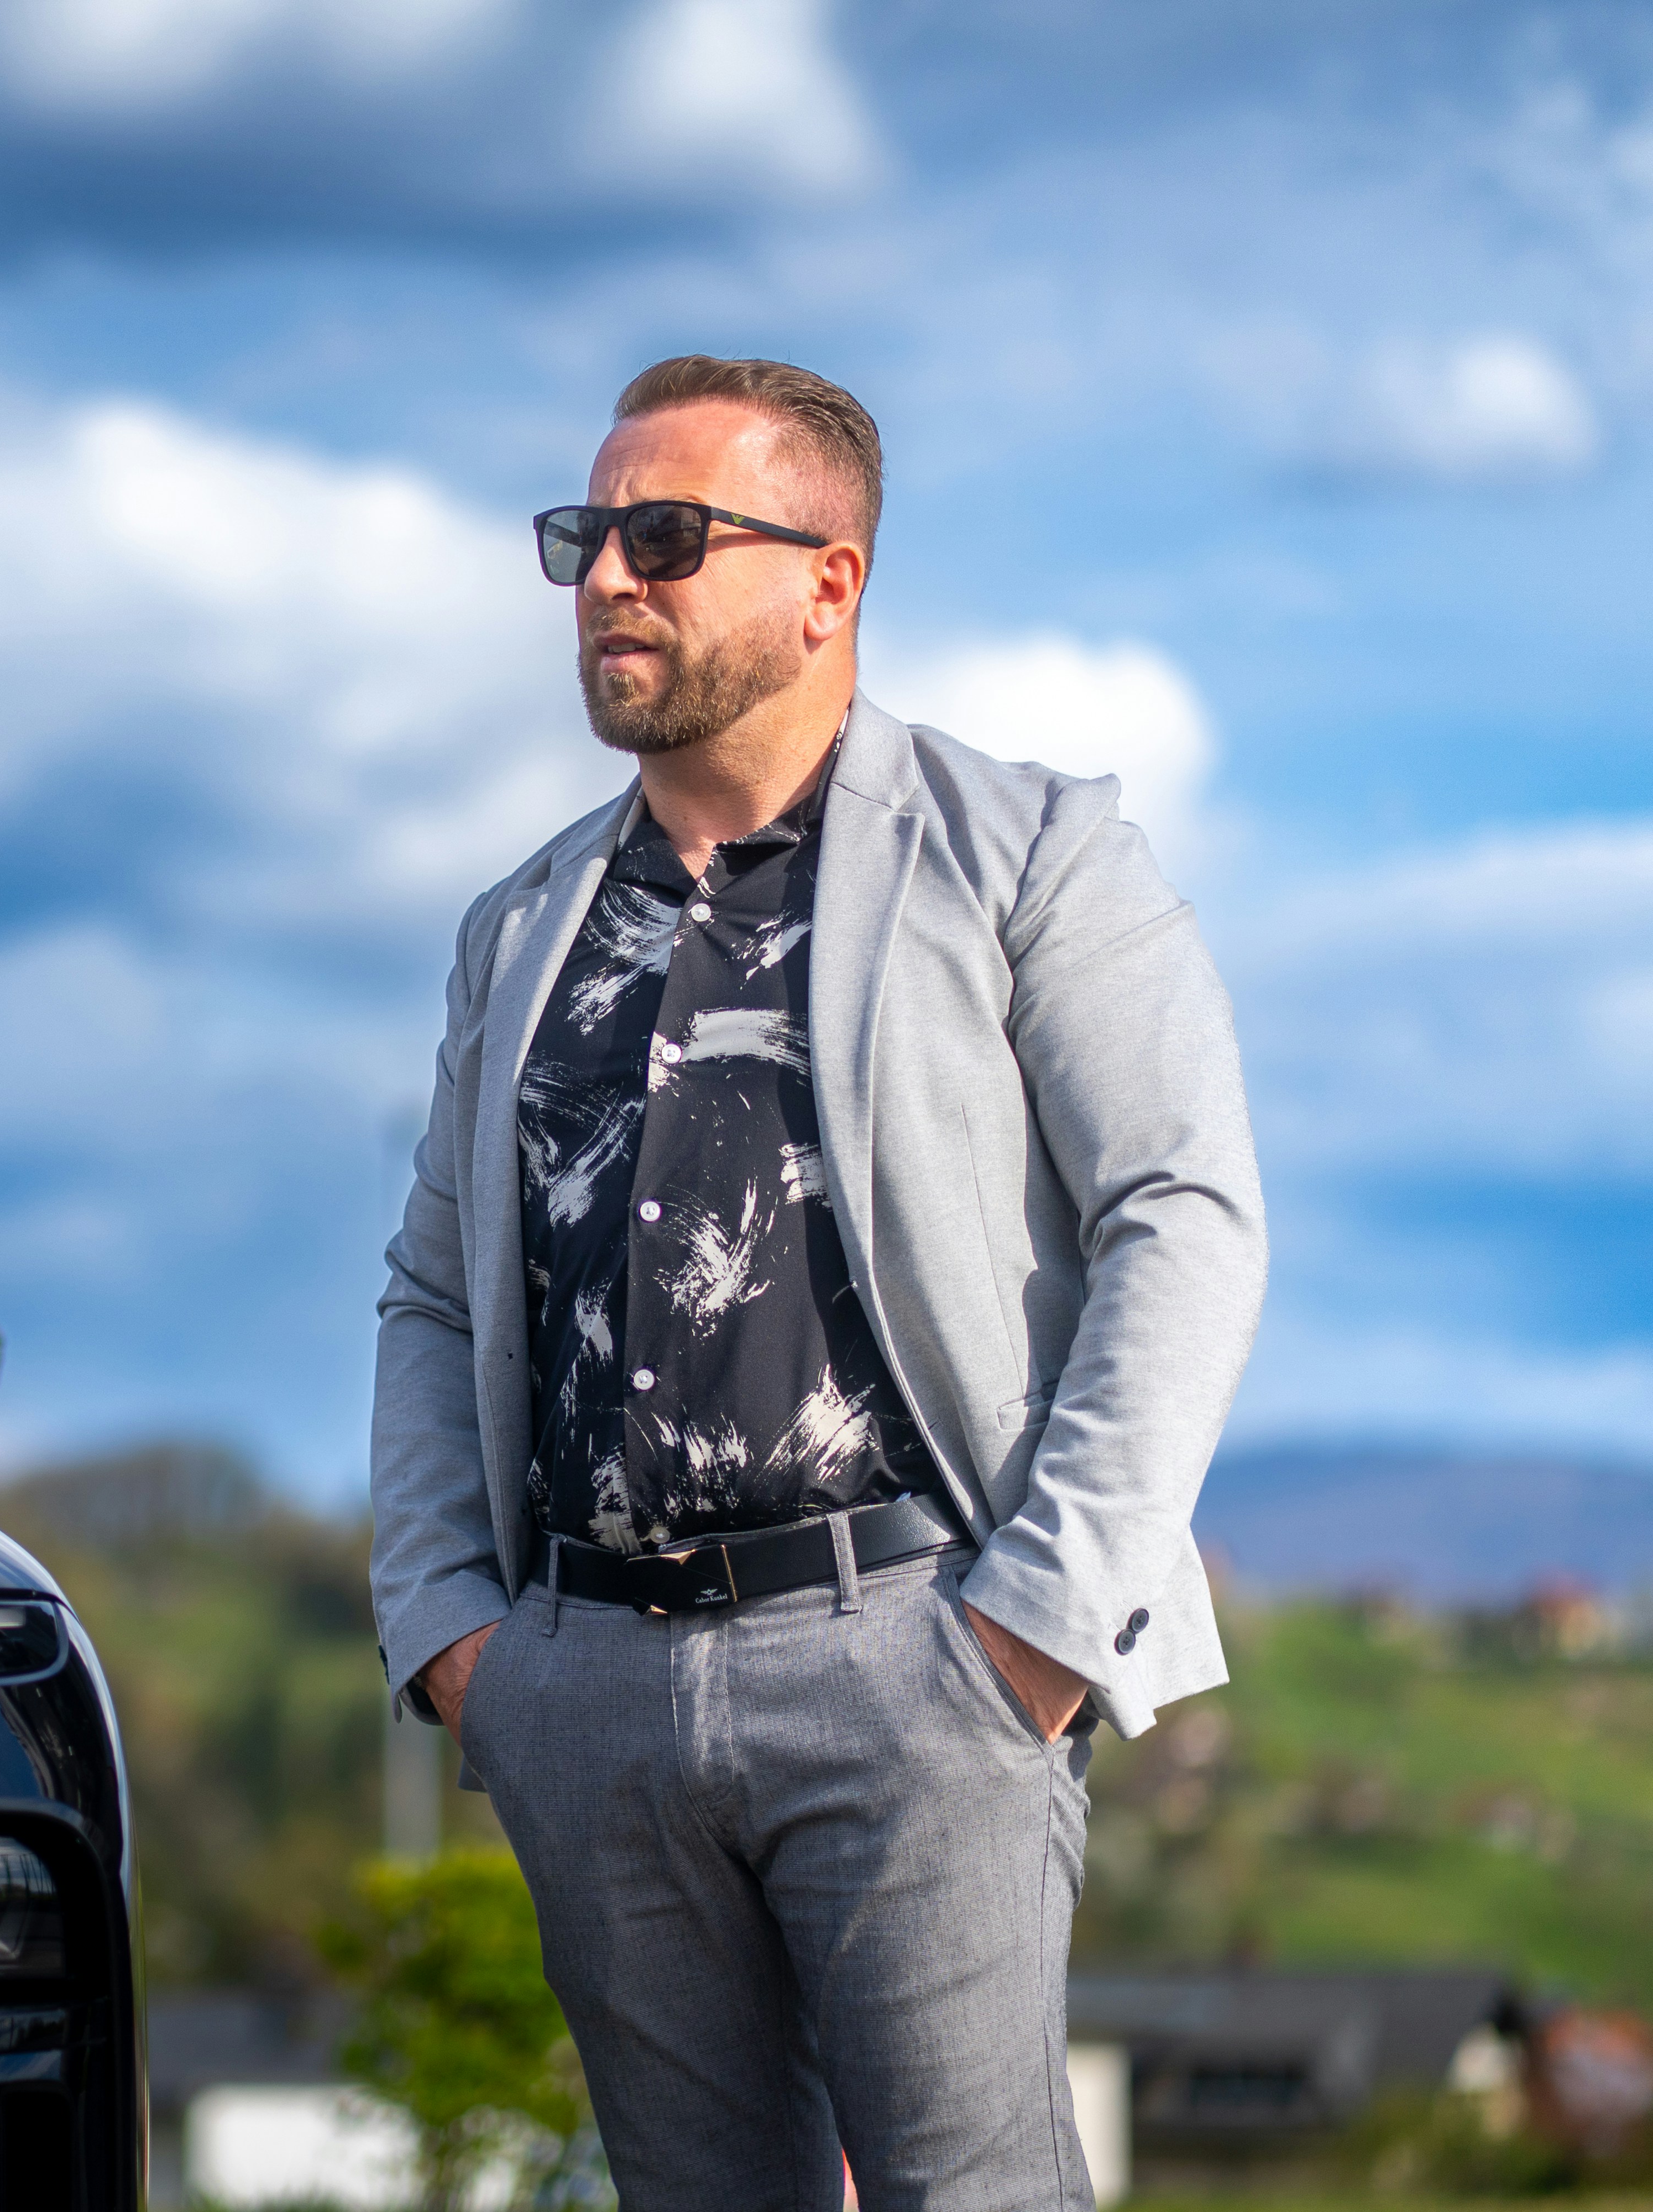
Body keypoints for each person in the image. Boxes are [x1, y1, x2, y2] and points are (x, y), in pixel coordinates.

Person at [367, 355, 1264, 2210]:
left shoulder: (1029, 852)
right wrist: (460, 1637)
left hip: (916, 1656)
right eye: (588, 536)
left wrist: (1032, 1630)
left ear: (828, 585)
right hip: (586, 1684)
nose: (612, 576)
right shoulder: (521, 927)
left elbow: (1183, 1219)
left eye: (668, 536)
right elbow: (434, 1297)